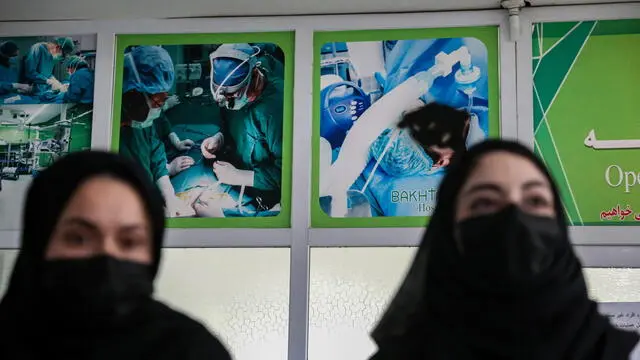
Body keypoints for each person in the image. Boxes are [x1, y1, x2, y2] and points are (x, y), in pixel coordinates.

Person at [369, 137, 640, 359]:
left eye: (535, 200)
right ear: (448, 227)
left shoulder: (609, 352)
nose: (514, 216)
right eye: (485, 201)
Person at [0, 151, 232, 359]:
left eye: (129, 241)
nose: (107, 254)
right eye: (78, 238)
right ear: (39, 242)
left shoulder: (191, 351)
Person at [198, 43, 284, 216]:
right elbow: (231, 120)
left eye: (233, 95)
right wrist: (220, 137)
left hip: (269, 195)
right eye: (224, 97)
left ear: (253, 77)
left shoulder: (276, 109)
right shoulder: (232, 95)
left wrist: (242, 177)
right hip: (238, 178)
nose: (228, 101)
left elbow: (290, 172)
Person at [119, 45, 193, 217]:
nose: (160, 108)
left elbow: (155, 151)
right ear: (134, 97)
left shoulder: (142, 123)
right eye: (158, 102)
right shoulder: (107, 132)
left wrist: (168, 193)